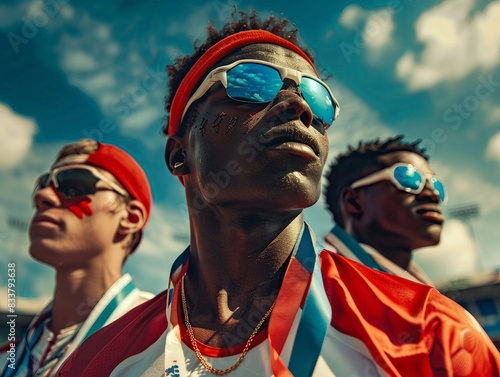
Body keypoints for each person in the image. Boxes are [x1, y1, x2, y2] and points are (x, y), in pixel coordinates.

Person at [57, 11, 500, 377]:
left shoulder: (434, 336)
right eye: (252, 82)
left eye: (319, 98)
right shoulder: (96, 362)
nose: (300, 106)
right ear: (179, 156)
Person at [0, 139, 154, 377]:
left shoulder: (164, 342)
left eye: (73, 185)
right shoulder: (6, 358)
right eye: (42, 184)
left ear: (130, 218)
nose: (43, 196)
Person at [323, 135, 444, 286]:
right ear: (353, 202)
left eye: (435, 184)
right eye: (408, 178)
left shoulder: (427, 292)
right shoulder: (317, 280)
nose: (432, 194)